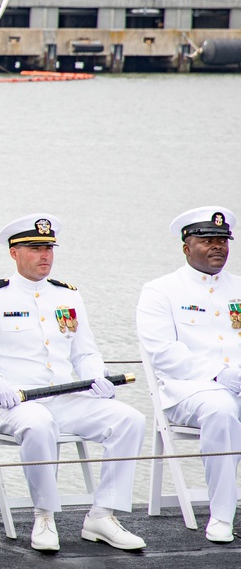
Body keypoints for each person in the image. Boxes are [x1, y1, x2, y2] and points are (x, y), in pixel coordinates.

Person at [0, 213, 146, 553]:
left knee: (130, 419)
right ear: (14, 253)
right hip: (14, 403)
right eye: (36, 248)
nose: (45, 255)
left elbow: (85, 352)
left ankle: (102, 516)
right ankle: (44, 515)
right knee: (38, 423)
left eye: (49, 248)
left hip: (65, 398)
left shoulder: (67, 296)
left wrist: (96, 376)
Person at [136, 206, 241, 543]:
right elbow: (163, 353)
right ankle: (223, 514)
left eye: (223, 240)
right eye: (207, 240)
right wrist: (221, 375)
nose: (217, 247)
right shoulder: (161, 291)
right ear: (186, 247)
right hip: (187, 393)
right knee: (221, 409)